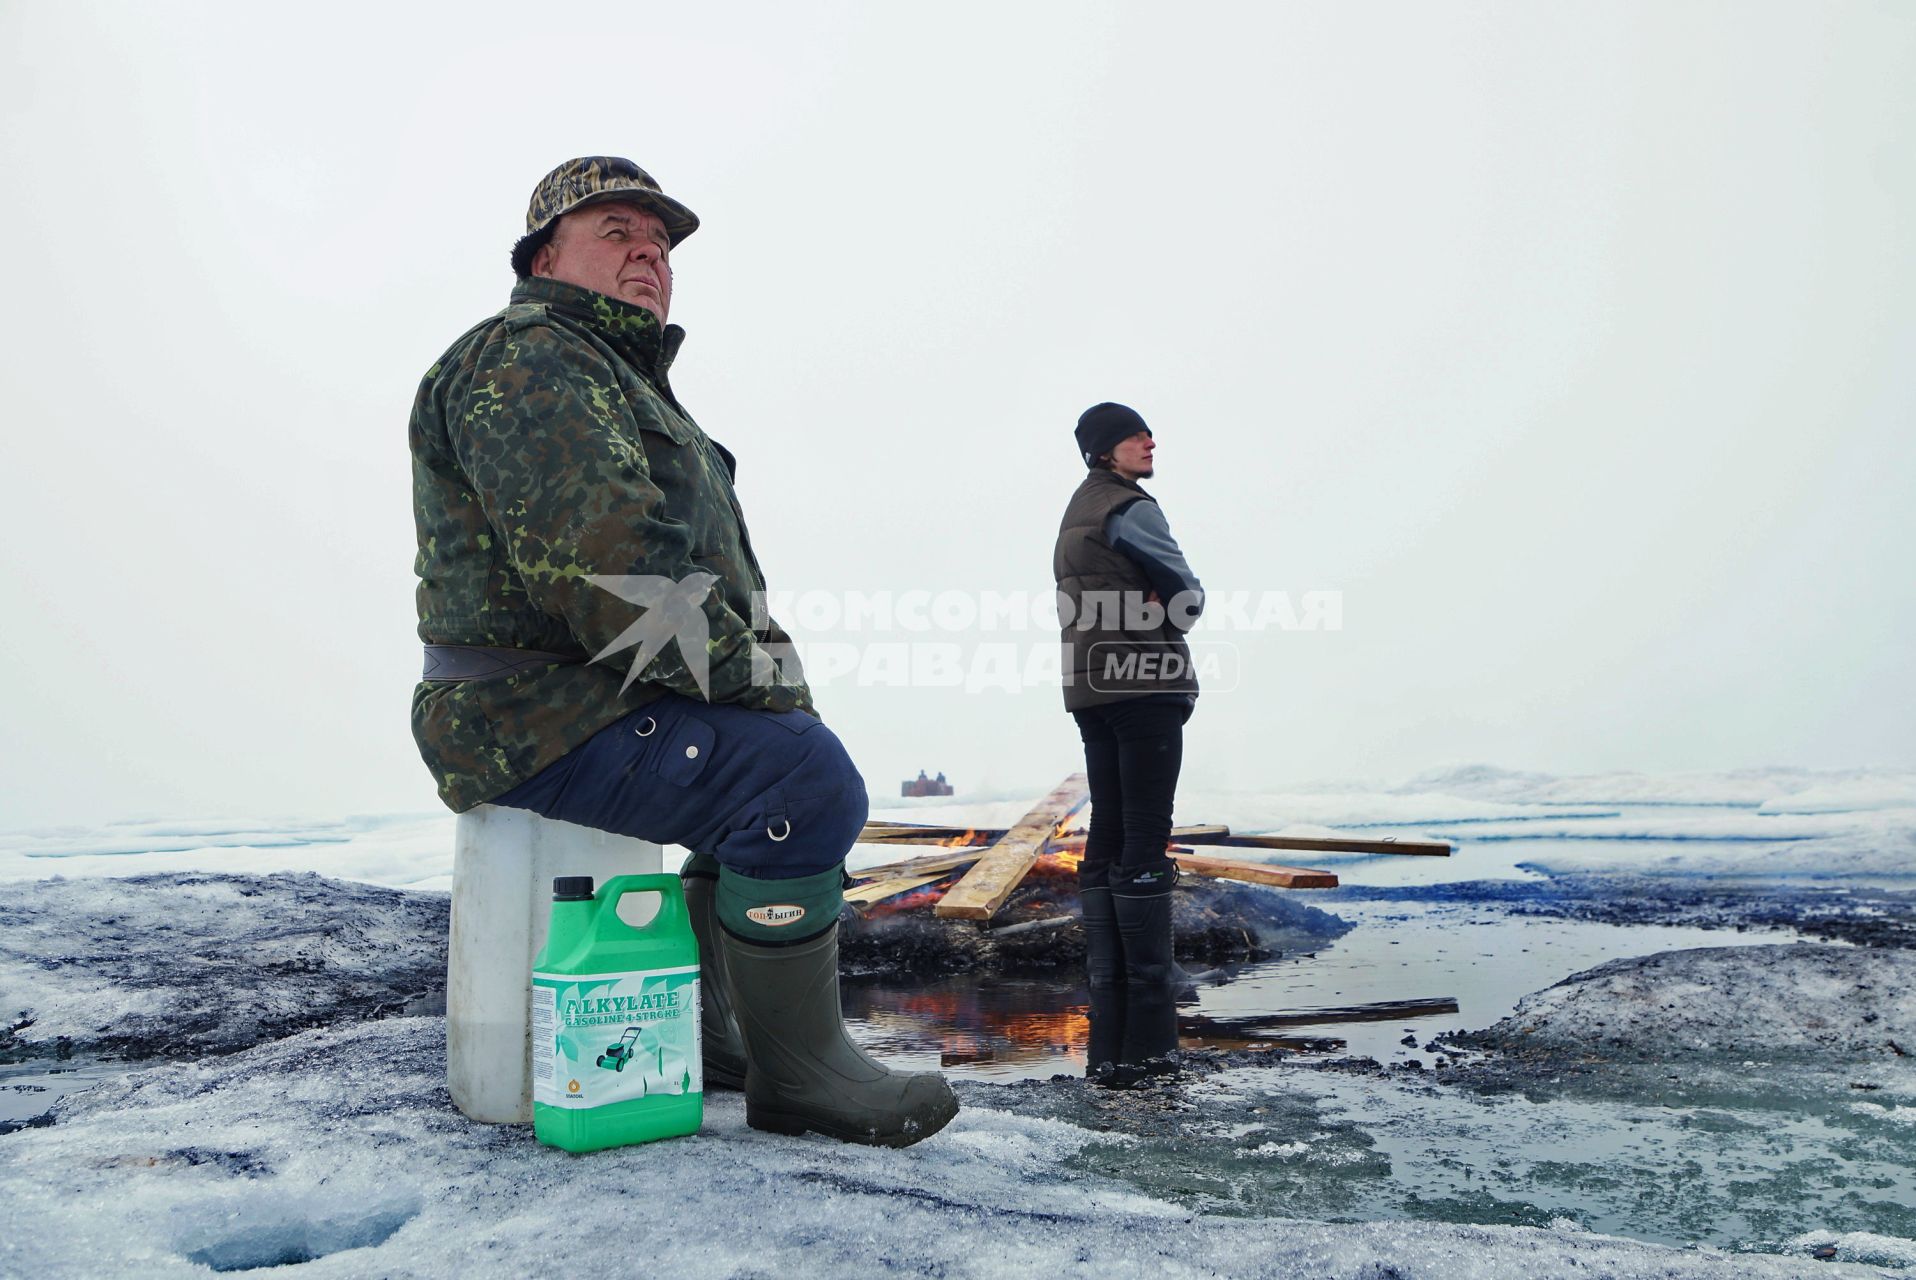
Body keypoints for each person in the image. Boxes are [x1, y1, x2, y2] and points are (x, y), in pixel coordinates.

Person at [408, 157, 956, 1146]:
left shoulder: (613, 375)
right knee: (804, 782)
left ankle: (719, 1034)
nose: (647, 253)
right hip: (529, 711)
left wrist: (764, 678)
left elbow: (704, 576)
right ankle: (800, 1075)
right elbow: (608, 575)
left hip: (579, 695)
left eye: (658, 242)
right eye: (616, 231)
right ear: (543, 255)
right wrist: (765, 683)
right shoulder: (535, 360)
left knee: (771, 761)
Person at [1053, 402, 1205, 1083]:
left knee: (1108, 830)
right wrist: (1172, 603)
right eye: (1132, 435)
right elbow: (1189, 595)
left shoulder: (1074, 516)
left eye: (1146, 432)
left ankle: (1108, 973)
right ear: (1105, 451)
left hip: (1091, 688)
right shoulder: (1130, 508)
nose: (1148, 440)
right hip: (1143, 683)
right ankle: (1151, 978)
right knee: (1145, 831)